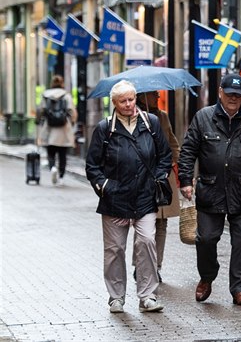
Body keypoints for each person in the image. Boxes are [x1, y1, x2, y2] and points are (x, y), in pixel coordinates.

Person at [178, 73, 241, 306]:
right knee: (206, 239)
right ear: (220, 92)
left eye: (238, 96)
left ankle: (240, 289)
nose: (233, 99)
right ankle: (207, 277)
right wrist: (185, 180)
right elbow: (188, 150)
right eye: (230, 94)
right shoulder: (203, 118)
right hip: (211, 189)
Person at [85, 80, 172, 314]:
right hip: (115, 200)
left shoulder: (150, 122)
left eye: (131, 99)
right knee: (115, 250)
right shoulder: (105, 128)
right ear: (114, 103)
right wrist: (106, 187)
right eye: (123, 101)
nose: (128, 104)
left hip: (145, 198)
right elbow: (92, 166)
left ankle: (147, 296)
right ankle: (116, 297)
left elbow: (165, 155)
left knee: (146, 242)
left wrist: (159, 177)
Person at [132, 91, 180, 283]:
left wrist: (173, 164)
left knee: (161, 224)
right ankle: (139, 265)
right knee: (143, 224)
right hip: (141, 179)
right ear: (143, 96)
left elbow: (173, 144)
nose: (157, 97)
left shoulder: (162, 116)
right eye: (153, 94)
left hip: (162, 178)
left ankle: (156, 266)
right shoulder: (131, 117)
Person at [37, 74, 77, 186]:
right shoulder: (66, 96)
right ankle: (61, 177)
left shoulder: (46, 95)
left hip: (49, 128)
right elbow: (72, 112)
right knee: (62, 154)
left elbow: (41, 110)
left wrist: (39, 120)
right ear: (62, 83)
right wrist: (72, 122)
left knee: (50, 152)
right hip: (64, 128)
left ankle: (53, 168)